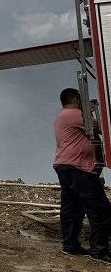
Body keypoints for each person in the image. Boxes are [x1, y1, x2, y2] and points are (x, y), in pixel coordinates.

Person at [54, 88, 111, 263]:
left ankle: (70, 245)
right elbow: (101, 128)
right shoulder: (75, 114)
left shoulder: (63, 115)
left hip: (65, 166)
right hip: (79, 168)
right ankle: (99, 251)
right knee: (100, 209)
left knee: (72, 208)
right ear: (77, 99)